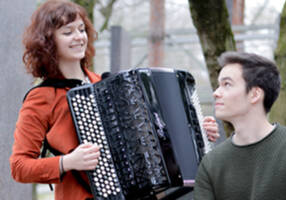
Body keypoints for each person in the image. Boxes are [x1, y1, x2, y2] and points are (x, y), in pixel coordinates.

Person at [10, 1, 220, 200]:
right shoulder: (41, 98)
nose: (79, 37)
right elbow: (19, 167)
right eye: (67, 32)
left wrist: (194, 133)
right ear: (48, 41)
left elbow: (147, 136)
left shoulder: (103, 85)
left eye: (81, 29)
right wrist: (67, 162)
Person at [194, 51, 286, 200]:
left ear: (255, 94)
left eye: (227, 84)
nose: (216, 93)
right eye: (218, 85)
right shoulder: (211, 163)